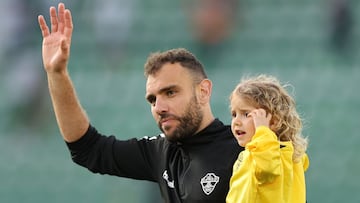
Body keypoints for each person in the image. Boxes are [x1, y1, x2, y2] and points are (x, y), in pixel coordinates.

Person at [37, 3, 242, 203]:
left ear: (203, 91)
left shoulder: (242, 149)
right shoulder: (160, 152)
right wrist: (57, 74)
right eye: (152, 99)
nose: (159, 107)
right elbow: (87, 149)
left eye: (170, 92)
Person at [226, 75, 309, 203]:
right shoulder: (253, 153)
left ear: (273, 121)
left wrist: (262, 132)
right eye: (234, 114)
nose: (236, 121)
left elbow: (267, 170)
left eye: (246, 114)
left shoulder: (272, 154)